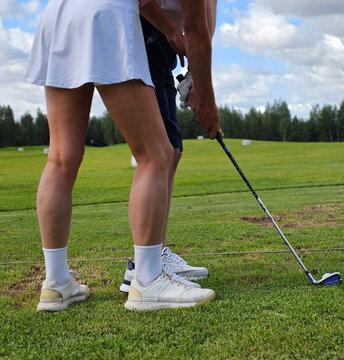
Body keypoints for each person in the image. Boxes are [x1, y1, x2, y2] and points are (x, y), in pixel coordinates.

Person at [25, 0, 219, 312]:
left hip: (58, 13)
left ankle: (57, 283)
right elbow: (194, 28)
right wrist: (206, 98)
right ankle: (147, 280)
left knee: (60, 157)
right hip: (105, 14)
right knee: (156, 154)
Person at [119, 0, 218, 292]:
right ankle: (141, 267)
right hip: (145, 37)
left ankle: (157, 253)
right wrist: (172, 31)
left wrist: (196, 77)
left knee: (173, 151)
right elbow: (190, 27)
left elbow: (203, 27)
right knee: (156, 154)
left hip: (162, 49)